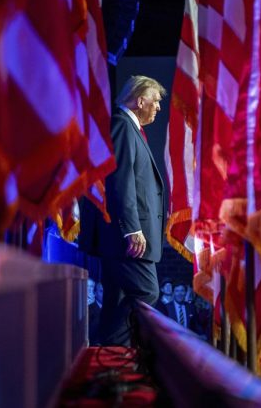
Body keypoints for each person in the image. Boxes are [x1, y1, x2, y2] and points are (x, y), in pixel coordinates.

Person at [97, 75, 167, 346]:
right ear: (141, 101)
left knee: (117, 300)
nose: (159, 107)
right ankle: (111, 345)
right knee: (147, 291)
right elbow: (120, 180)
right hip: (129, 238)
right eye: (156, 101)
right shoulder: (123, 126)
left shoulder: (130, 128)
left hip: (126, 237)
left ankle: (110, 359)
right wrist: (132, 229)